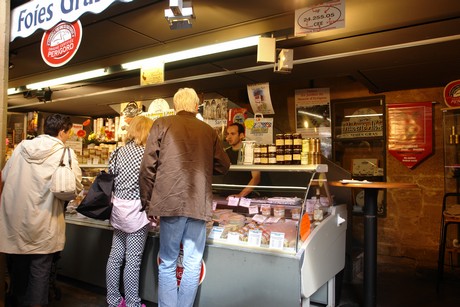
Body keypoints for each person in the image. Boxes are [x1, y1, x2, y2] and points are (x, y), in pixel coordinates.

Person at [139, 88, 230, 307]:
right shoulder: (208, 131)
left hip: (169, 202)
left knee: (168, 262)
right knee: (192, 263)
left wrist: (148, 203)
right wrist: (204, 168)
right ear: (196, 106)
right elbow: (224, 165)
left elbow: (147, 167)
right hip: (198, 202)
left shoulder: (162, 123)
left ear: (176, 106)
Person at [0, 113, 83, 307]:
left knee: (19, 266)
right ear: (62, 131)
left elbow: (4, 177)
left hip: (17, 222)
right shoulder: (65, 153)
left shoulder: (21, 147)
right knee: (40, 270)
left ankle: (17, 301)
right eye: (68, 132)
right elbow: (76, 186)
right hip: (46, 222)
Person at [106, 116, 154, 307]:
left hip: (118, 210)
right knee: (133, 261)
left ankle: (114, 300)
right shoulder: (147, 155)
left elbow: (111, 175)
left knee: (115, 257)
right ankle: (133, 303)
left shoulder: (117, 152)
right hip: (136, 212)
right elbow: (151, 183)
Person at [225, 122, 261, 197]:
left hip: (245, 197)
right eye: (227, 134)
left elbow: (256, 178)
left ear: (241, 135)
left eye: (232, 134)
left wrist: (240, 195)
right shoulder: (224, 152)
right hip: (225, 196)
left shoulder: (249, 151)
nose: (229, 137)